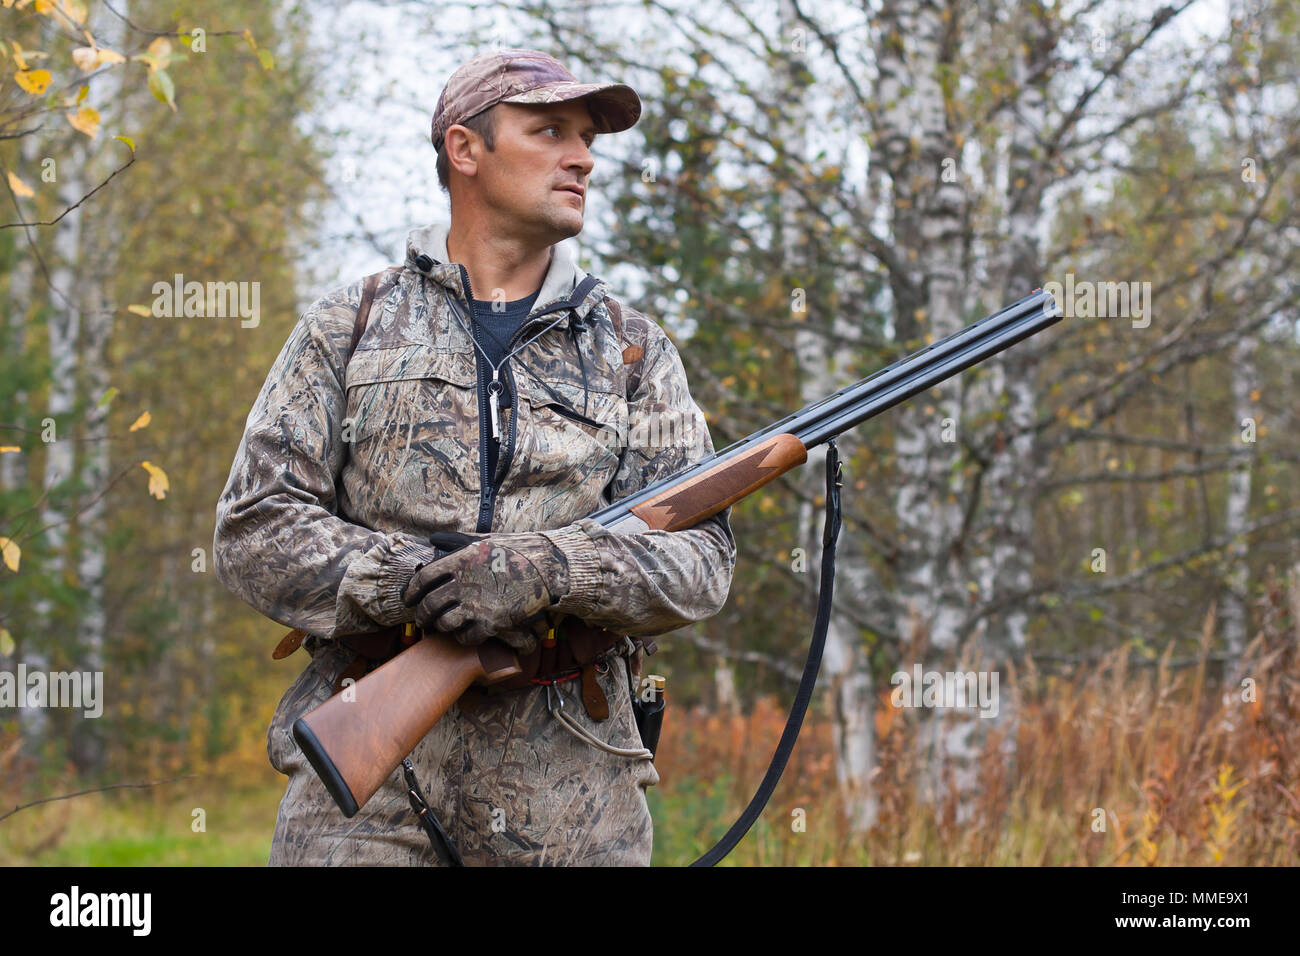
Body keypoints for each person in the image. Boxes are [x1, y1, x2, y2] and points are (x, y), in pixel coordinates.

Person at [213, 48, 736, 866]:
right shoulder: (350, 325)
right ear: (466, 150)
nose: (584, 157)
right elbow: (254, 529)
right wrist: (408, 581)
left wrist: (552, 570)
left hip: (575, 796)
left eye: (589, 138)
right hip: (367, 801)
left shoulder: (633, 350)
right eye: (551, 130)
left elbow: (702, 559)